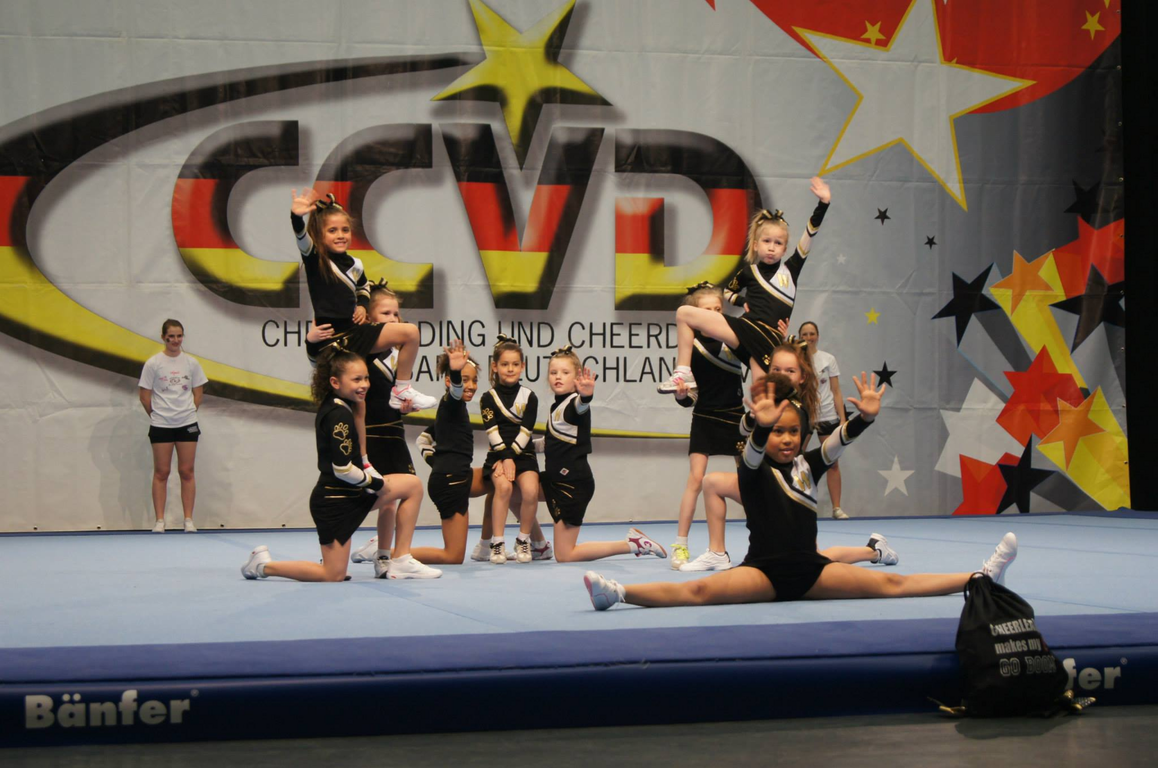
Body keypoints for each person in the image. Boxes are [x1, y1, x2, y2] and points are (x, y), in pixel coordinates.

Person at [584, 372, 1018, 609]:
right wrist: (762, 426)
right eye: (779, 432)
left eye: (794, 432)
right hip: (763, 573)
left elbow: (839, 442)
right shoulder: (753, 469)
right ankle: (618, 592)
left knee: (892, 583)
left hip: (813, 571)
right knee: (698, 593)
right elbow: (754, 450)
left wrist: (865, 418)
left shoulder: (809, 466)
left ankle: (980, 577)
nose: (787, 439)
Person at [678, 338, 893, 572]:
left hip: (785, 488)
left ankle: (874, 551)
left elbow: (833, 443)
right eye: (776, 370)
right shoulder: (768, 403)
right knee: (712, 482)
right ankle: (717, 552)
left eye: (790, 371)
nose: (782, 375)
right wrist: (753, 417)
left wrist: (864, 419)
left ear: (802, 377)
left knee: (809, 557)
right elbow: (741, 429)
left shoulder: (796, 410)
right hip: (760, 482)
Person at [241, 348, 440, 581]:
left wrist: (368, 467)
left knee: (412, 486)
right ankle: (263, 566)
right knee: (332, 574)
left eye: (366, 378)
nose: (364, 385)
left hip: (351, 494)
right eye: (356, 379)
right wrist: (375, 482)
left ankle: (401, 559)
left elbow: (362, 434)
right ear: (335, 382)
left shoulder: (345, 404)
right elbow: (343, 468)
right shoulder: (338, 414)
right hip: (335, 501)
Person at [659, 177, 831, 392]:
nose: (771, 248)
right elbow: (728, 292)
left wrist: (823, 204)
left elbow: (810, 233)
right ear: (756, 245)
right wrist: (743, 301)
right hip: (744, 329)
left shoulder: (791, 269)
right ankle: (684, 371)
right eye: (767, 241)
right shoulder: (749, 272)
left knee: (761, 395)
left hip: (768, 338)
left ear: (785, 249)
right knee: (684, 313)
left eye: (778, 243)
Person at [290, 188, 436, 410]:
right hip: (332, 340)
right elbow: (302, 238)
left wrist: (362, 305)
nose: (340, 235)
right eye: (332, 230)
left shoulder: (356, 264)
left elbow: (363, 287)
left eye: (345, 230)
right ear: (319, 235)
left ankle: (401, 389)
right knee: (354, 406)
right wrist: (296, 217)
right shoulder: (316, 261)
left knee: (411, 333)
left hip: (356, 332)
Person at [542, 346, 666, 562]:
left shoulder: (574, 404)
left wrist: (586, 396)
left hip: (572, 485)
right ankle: (537, 545)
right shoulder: (557, 406)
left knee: (565, 555)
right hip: (555, 480)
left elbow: (581, 406)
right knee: (518, 489)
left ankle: (632, 544)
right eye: (553, 373)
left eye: (565, 372)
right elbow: (551, 443)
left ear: (577, 377)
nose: (558, 377)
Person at [670, 283, 744, 569]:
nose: (713, 315)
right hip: (705, 418)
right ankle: (681, 545)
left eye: (718, 309)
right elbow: (688, 399)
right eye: (706, 310)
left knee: (751, 479)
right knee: (696, 480)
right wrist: (681, 395)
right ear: (694, 314)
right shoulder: (691, 346)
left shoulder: (735, 339)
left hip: (737, 418)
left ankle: (767, 535)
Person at [406, 340, 481, 565]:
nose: (471, 385)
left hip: (456, 476)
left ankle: (489, 544)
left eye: (474, 380)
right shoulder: (452, 402)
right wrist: (456, 372)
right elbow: (456, 390)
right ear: (449, 380)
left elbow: (422, 440)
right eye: (464, 379)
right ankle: (388, 552)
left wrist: (437, 463)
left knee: (500, 478)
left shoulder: (451, 411)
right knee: (453, 556)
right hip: (451, 483)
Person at [138, 319, 207, 533]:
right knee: (162, 471)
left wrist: (188, 412)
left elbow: (198, 393)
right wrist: (158, 415)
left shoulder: (192, 363)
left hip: (187, 423)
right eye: (171, 337)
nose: (175, 340)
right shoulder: (153, 363)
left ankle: (188, 520)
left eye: (179, 336)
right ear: (163, 337)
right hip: (161, 424)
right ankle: (160, 521)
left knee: (187, 471)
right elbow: (144, 396)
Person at [479, 335, 542, 564]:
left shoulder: (530, 397)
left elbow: (526, 431)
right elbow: (492, 431)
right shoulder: (488, 398)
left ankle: (523, 540)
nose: (510, 369)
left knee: (531, 491)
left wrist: (511, 457)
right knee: (503, 488)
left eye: (515, 364)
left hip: (523, 454)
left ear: (522, 367)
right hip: (498, 455)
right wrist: (505, 458)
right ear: (495, 367)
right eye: (505, 364)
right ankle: (497, 542)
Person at [799, 321, 849, 519]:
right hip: (804, 415)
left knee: (832, 462)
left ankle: (837, 508)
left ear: (818, 336)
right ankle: (796, 505)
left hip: (827, 415)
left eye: (812, 333)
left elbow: (836, 391)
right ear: (800, 337)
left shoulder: (828, 359)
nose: (808, 337)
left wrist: (842, 419)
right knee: (796, 461)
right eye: (804, 334)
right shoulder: (795, 359)